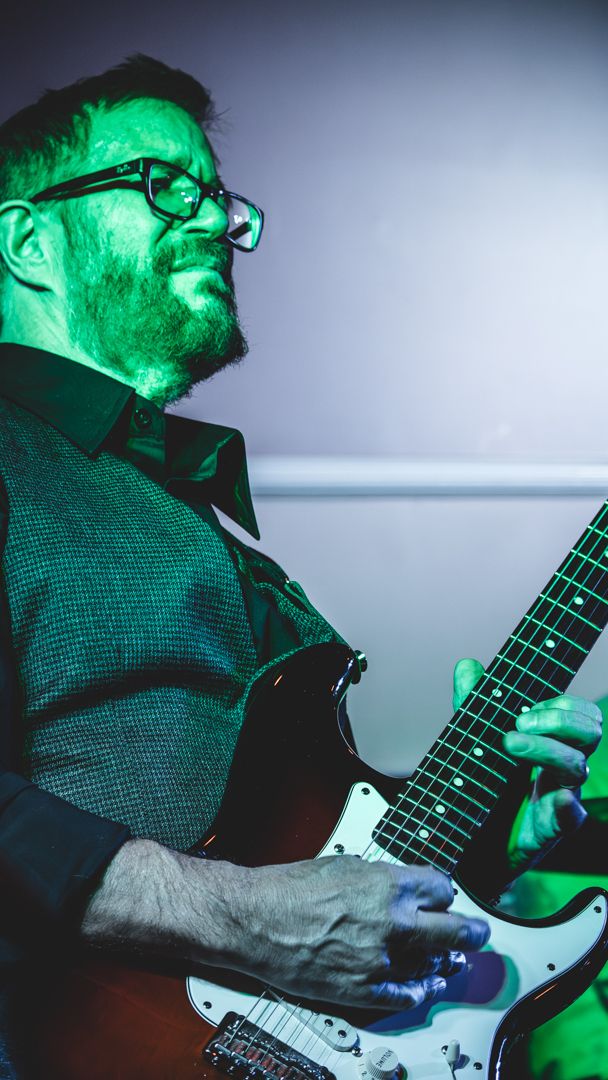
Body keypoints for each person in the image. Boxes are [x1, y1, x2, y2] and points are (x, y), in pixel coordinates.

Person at [0, 54, 601, 1077]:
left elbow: (302, 872)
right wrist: (240, 918)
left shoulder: (206, 537)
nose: (214, 222)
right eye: (164, 184)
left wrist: (483, 845)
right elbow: (265, 908)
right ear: (27, 241)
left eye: (221, 201)